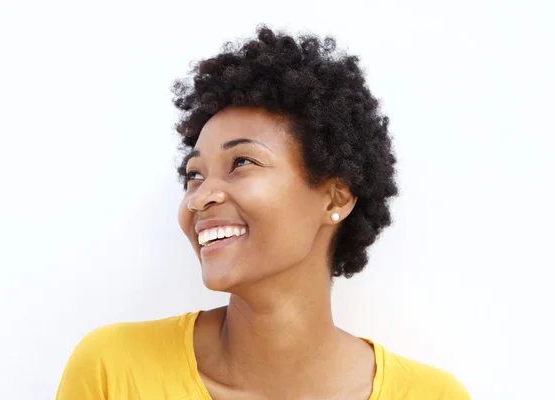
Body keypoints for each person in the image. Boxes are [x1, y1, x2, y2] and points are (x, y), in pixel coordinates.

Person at [57, 26, 471, 400]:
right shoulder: (114, 370)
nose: (199, 198)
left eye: (242, 163)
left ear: (335, 199)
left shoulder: (433, 394)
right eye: (194, 175)